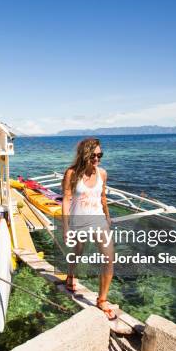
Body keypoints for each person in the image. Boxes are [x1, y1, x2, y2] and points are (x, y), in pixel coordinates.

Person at [62, 137, 115, 320]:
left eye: (100, 155)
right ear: (84, 154)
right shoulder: (71, 174)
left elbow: (102, 198)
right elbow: (67, 199)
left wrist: (108, 218)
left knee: (108, 259)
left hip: (99, 220)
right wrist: (66, 226)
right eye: (93, 155)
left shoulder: (102, 174)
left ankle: (102, 300)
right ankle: (70, 275)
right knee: (78, 251)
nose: (97, 159)